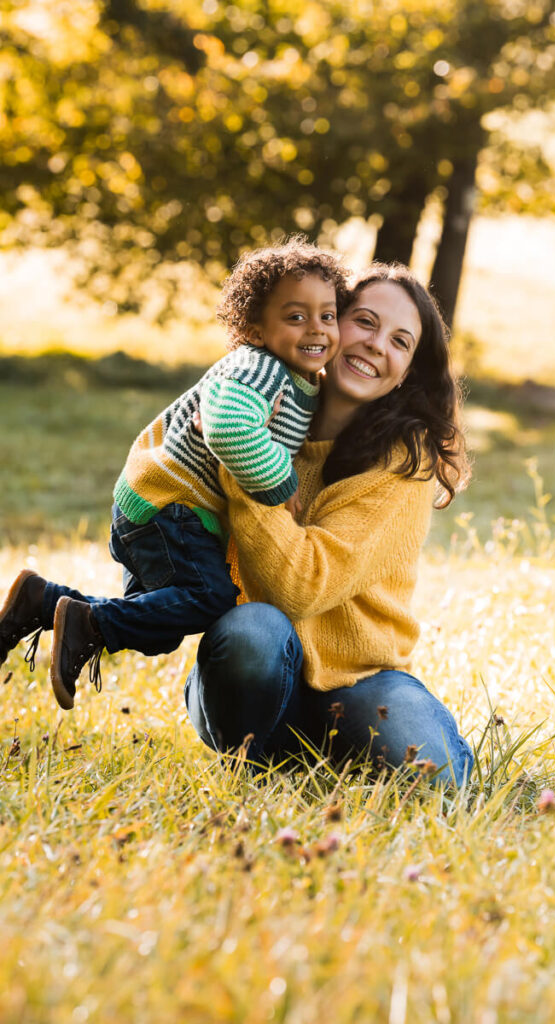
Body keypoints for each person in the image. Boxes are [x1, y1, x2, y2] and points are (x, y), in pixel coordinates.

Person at [0, 239, 347, 710]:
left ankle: (41, 602)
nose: (316, 329)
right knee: (208, 598)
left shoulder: (297, 376)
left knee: (157, 626)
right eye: (296, 317)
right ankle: (88, 624)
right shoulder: (260, 368)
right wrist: (280, 484)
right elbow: (227, 428)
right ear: (255, 328)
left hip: (156, 505)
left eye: (328, 316)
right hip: (171, 505)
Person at [184, 263, 475, 787]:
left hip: (364, 679)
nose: (374, 345)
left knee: (439, 782)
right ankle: (259, 765)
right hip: (257, 673)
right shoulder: (255, 409)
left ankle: (334, 753)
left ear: (408, 369)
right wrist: (245, 445)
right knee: (255, 631)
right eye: (364, 321)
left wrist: (245, 465)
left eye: (400, 341)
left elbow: (303, 584)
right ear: (328, 324)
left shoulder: (403, 459)